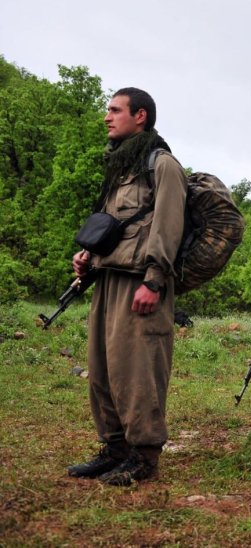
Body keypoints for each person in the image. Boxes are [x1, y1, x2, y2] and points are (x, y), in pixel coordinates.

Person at [68, 88, 187, 486]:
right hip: (108, 279)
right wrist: (88, 256)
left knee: (137, 371)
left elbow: (168, 226)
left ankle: (144, 456)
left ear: (140, 116)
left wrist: (155, 279)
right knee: (103, 369)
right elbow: (111, 225)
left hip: (141, 283)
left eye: (115, 110)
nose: (107, 117)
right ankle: (115, 448)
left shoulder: (162, 164)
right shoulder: (120, 168)